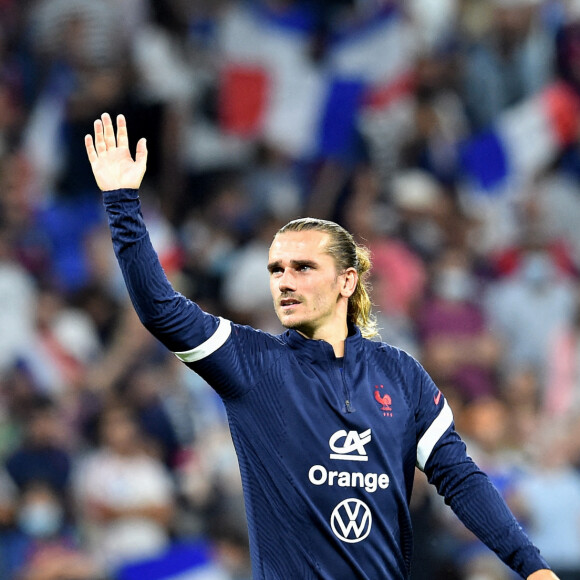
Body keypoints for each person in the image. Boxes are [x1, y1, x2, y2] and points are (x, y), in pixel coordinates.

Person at [84, 112, 558, 580]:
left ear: (347, 280)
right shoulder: (252, 363)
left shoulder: (402, 375)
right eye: (276, 270)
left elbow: (460, 479)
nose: (284, 282)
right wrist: (122, 201)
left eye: (302, 268)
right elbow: (159, 309)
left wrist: (533, 569)